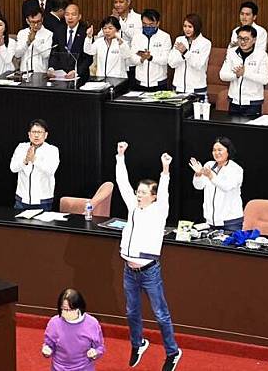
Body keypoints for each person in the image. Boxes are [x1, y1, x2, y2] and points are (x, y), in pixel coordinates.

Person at [115, 141, 183, 371]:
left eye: (143, 193)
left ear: (153, 196)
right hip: (129, 270)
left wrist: (165, 171)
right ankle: (138, 343)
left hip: (149, 270)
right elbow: (122, 183)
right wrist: (120, 157)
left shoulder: (159, 210)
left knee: (160, 314)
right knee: (132, 311)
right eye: (138, 192)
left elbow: (164, 192)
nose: (138, 195)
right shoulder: (132, 207)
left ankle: (173, 352)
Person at [41, 288, 105, 371]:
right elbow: (49, 344)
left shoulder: (92, 323)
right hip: (59, 368)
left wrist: (95, 353)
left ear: (80, 308)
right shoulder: (54, 322)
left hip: (83, 368)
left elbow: (100, 347)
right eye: (64, 309)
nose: (67, 312)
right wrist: (47, 350)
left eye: (71, 309)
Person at [189, 137, 243, 231]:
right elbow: (198, 186)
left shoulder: (236, 169)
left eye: (220, 150)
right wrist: (198, 174)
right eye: (214, 150)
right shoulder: (209, 165)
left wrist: (211, 176)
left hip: (231, 221)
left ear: (228, 151)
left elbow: (226, 187)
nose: (216, 153)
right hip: (210, 221)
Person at [219, 25, 268, 116]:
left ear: (254, 40)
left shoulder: (261, 55)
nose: (242, 42)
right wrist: (236, 75)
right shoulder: (232, 53)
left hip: (253, 102)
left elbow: (265, 79)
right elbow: (222, 75)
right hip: (234, 101)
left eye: (246, 39)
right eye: (240, 38)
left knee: (250, 130)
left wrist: (245, 73)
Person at [9, 119, 59, 211]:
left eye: (40, 132)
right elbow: (13, 168)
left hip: (43, 201)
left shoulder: (52, 150)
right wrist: (25, 160)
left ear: (46, 135)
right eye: (34, 132)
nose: (36, 135)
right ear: (29, 134)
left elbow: (50, 171)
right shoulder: (21, 147)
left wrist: (34, 160)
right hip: (21, 200)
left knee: (41, 225)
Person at [167, 13, 212, 96]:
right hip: (178, 88)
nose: (187, 29)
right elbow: (171, 63)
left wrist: (185, 52)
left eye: (190, 27)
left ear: (197, 27)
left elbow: (198, 65)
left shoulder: (205, 43)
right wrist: (182, 55)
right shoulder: (179, 40)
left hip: (197, 89)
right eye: (185, 26)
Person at [129, 9, 172, 91]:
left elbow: (166, 59)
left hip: (159, 83)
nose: (147, 27)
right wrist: (141, 59)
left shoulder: (165, 37)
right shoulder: (137, 37)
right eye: (144, 24)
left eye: (151, 24)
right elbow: (132, 58)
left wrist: (150, 58)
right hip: (140, 82)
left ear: (158, 23)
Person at [47, 3, 92, 80]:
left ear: (79, 17)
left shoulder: (85, 32)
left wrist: (76, 71)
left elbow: (88, 58)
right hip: (61, 77)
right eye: (67, 14)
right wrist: (51, 68)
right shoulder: (59, 30)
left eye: (73, 14)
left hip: (80, 77)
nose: (70, 17)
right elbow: (54, 52)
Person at [15, 6, 54, 74]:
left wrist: (34, 40)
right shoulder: (22, 33)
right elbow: (17, 54)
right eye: (33, 22)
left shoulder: (48, 34)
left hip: (41, 72)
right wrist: (28, 43)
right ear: (27, 21)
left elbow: (46, 54)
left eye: (38, 21)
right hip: (24, 72)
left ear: (42, 19)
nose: (36, 25)